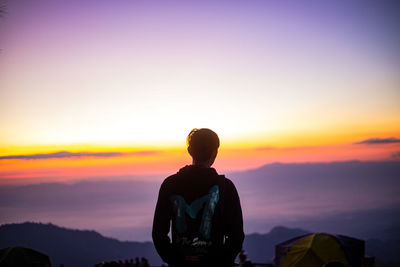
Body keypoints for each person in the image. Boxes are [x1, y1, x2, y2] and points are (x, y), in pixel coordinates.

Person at [152, 128, 244, 267]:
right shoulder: (226, 187)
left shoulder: (170, 184)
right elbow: (236, 235)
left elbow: (159, 233)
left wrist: (174, 260)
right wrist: (222, 261)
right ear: (215, 152)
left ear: (190, 150)